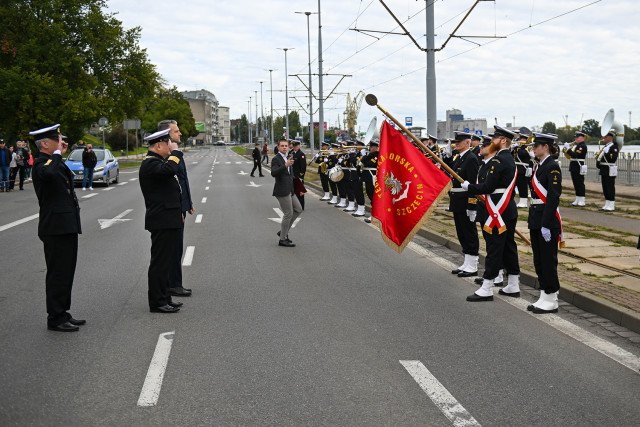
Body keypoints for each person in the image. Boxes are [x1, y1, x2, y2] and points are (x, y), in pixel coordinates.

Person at [30, 124, 84, 332]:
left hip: (66, 225)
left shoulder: (52, 162)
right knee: (58, 273)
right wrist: (57, 155)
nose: (62, 143)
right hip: (55, 227)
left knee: (66, 271)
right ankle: (55, 317)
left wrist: (58, 154)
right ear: (45, 143)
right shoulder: (41, 164)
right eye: (58, 140)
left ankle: (63, 312)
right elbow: (50, 175)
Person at [462, 125, 520, 302]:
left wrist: (469, 187)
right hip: (506, 209)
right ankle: (513, 284)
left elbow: (489, 187)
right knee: (508, 247)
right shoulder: (506, 159)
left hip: (498, 210)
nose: (491, 142)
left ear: (503, 141)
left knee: (494, 248)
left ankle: (487, 287)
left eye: (495, 139)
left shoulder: (499, 161)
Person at [139, 128, 184, 313]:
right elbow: (170, 170)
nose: (171, 146)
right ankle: (157, 301)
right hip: (161, 220)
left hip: (168, 219)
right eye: (168, 143)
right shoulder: (151, 164)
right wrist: (176, 153)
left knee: (165, 263)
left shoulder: (157, 162)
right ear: (158, 145)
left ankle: (165, 297)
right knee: (159, 263)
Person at [157, 120, 194, 299]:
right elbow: (170, 187)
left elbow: (183, 180)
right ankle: (173, 285)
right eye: (176, 131)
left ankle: (174, 283)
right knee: (173, 248)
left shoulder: (175, 153)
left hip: (180, 207)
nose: (180, 134)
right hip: (173, 210)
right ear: (167, 135)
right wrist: (179, 208)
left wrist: (188, 204)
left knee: (177, 248)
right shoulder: (166, 156)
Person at [527, 132, 563, 313]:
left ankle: (551, 298)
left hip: (546, 220)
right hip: (536, 218)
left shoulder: (552, 166)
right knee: (539, 260)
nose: (533, 149)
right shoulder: (539, 166)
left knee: (548, 261)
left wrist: (547, 224)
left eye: (535, 146)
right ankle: (544, 294)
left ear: (545, 147)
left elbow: (553, 197)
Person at [443, 131, 480, 278]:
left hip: (465, 201)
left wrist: (472, 206)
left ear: (467, 143)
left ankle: (473, 264)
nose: (456, 144)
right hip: (457, 201)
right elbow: (450, 171)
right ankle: (467, 261)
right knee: (461, 233)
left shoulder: (471, 159)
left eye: (459, 141)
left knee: (469, 232)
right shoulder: (460, 158)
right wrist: (447, 158)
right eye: (455, 141)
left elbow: (473, 183)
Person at [271, 139, 302, 247]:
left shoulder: (288, 157)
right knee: (288, 213)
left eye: (286, 146)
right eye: (282, 146)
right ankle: (282, 239)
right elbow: (273, 173)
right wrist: (285, 165)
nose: (284, 147)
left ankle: (282, 232)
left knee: (298, 209)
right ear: (278, 147)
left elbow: (291, 176)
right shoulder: (276, 159)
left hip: (290, 189)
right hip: (282, 190)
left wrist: (299, 188)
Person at [596, 129, 619, 211]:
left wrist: (607, 153)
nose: (604, 138)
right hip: (604, 169)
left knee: (610, 187)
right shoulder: (605, 147)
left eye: (605, 137)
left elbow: (613, 158)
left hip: (609, 169)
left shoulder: (614, 146)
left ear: (610, 137)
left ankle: (611, 204)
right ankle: (607, 203)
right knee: (605, 187)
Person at [563, 131, 588, 206]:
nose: (576, 139)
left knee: (580, 183)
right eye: (575, 137)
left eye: (577, 137)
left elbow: (575, 155)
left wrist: (568, 148)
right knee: (576, 183)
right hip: (574, 166)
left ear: (582, 138)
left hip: (578, 166)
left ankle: (582, 200)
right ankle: (578, 199)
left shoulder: (582, 146)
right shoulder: (577, 145)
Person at [513, 133, 533, 208]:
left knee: (523, 186)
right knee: (518, 185)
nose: (520, 140)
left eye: (521, 139)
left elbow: (523, 154)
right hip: (517, 169)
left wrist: (516, 148)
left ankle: (524, 202)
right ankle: (521, 201)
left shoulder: (528, 147)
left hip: (524, 169)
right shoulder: (519, 147)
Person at [361, 141, 379, 223]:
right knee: (370, 195)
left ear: (376, 147)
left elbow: (369, 163)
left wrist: (365, 156)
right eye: (370, 146)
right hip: (368, 178)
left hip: (373, 177)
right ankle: (374, 214)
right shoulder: (370, 155)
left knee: (373, 196)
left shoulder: (376, 155)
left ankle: (375, 215)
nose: (370, 148)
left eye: (371, 147)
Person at [291, 140, 306, 210]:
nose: (295, 147)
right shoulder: (292, 153)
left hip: (298, 175)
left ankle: (301, 206)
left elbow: (303, 167)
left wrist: (301, 176)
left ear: (299, 146)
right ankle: (295, 205)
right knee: (293, 191)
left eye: (296, 146)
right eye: (294, 146)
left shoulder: (301, 154)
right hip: (292, 175)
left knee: (300, 192)